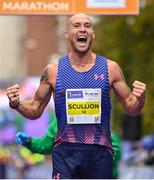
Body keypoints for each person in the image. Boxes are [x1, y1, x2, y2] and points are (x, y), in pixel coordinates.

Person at [6, 13, 146, 179]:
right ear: (67, 34)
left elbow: (132, 108)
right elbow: (35, 109)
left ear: (93, 33)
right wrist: (16, 104)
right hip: (65, 152)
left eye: (87, 26)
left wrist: (141, 98)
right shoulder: (53, 71)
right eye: (77, 25)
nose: (82, 29)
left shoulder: (110, 68)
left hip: (99, 152)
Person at [15, 115, 121, 178]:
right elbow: (46, 145)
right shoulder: (59, 121)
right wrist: (29, 141)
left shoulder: (93, 116)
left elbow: (115, 149)